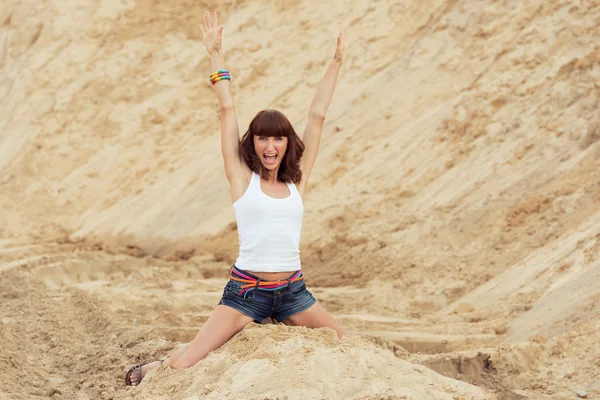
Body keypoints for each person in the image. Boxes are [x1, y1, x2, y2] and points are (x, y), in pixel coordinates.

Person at [125, 10, 347, 386]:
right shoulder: (242, 180)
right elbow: (227, 108)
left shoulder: (297, 182)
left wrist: (336, 62)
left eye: (278, 138)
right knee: (185, 365)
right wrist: (215, 55)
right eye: (263, 137)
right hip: (246, 294)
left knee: (344, 346)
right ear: (254, 143)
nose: (270, 145)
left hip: (294, 293)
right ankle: (158, 365)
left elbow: (318, 115)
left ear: (288, 143)